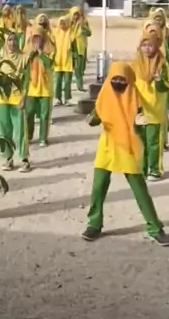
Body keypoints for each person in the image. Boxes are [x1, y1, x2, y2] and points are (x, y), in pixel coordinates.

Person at [82, 62, 169, 245]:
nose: (118, 83)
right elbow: (97, 115)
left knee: (139, 189)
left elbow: (140, 119)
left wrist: (140, 122)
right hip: (107, 146)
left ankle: (155, 228)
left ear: (129, 80)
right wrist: (92, 119)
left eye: (122, 80)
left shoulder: (135, 98)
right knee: (98, 187)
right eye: (115, 79)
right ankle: (94, 224)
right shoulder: (105, 94)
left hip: (128, 147)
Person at [132, 31, 168, 181]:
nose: (147, 48)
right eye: (144, 45)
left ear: (156, 46)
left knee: (154, 142)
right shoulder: (135, 64)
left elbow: (165, 87)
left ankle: (155, 169)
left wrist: (159, 80)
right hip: (139, 109)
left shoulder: (162, 64)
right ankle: (143, 168)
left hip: (155, 110)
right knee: (141, 141)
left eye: (150, 45)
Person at [0, 31, 30, 172]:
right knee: (4, 130)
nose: (12, 43)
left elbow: (26, 80)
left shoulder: (24, 58)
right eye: (9, 40)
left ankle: (24, 159)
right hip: (2, 99)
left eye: (15, 39)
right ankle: (8, 158)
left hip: (17, 98)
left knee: (20, 130)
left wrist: (24, 97)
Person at [24, 26, 54, 147]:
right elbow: (24, 65)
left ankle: (43, 138)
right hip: (32, 86)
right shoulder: (27, 49)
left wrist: (41, 53)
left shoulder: (50, 49)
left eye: (39, 38)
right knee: (29, 112)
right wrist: (32, 53)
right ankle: (29, 135)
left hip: (45, 87)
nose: (37, 41)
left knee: (44, 114)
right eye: (35, 38)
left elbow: (50, 63)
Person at [69, 6, 91, 91]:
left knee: (79, 70)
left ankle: (80, 86)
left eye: (77, 14)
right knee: (67, 70)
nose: (76, 16)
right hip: (69, 49)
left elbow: (89, 33)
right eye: (74, 14)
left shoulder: (83, 23)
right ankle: (65, 86)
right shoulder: (67, 24)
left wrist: (83, 27)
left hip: (79, 49)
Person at [53, 15, 73, 106]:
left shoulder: (70, 33)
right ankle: (58, 98)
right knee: (58, 82)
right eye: (60, 23)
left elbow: (74, 46)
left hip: (68, 61)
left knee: (67, 82)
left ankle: (67, 99)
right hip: (57, 61)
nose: (62, 25)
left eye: (64, 23)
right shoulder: (56, 33)